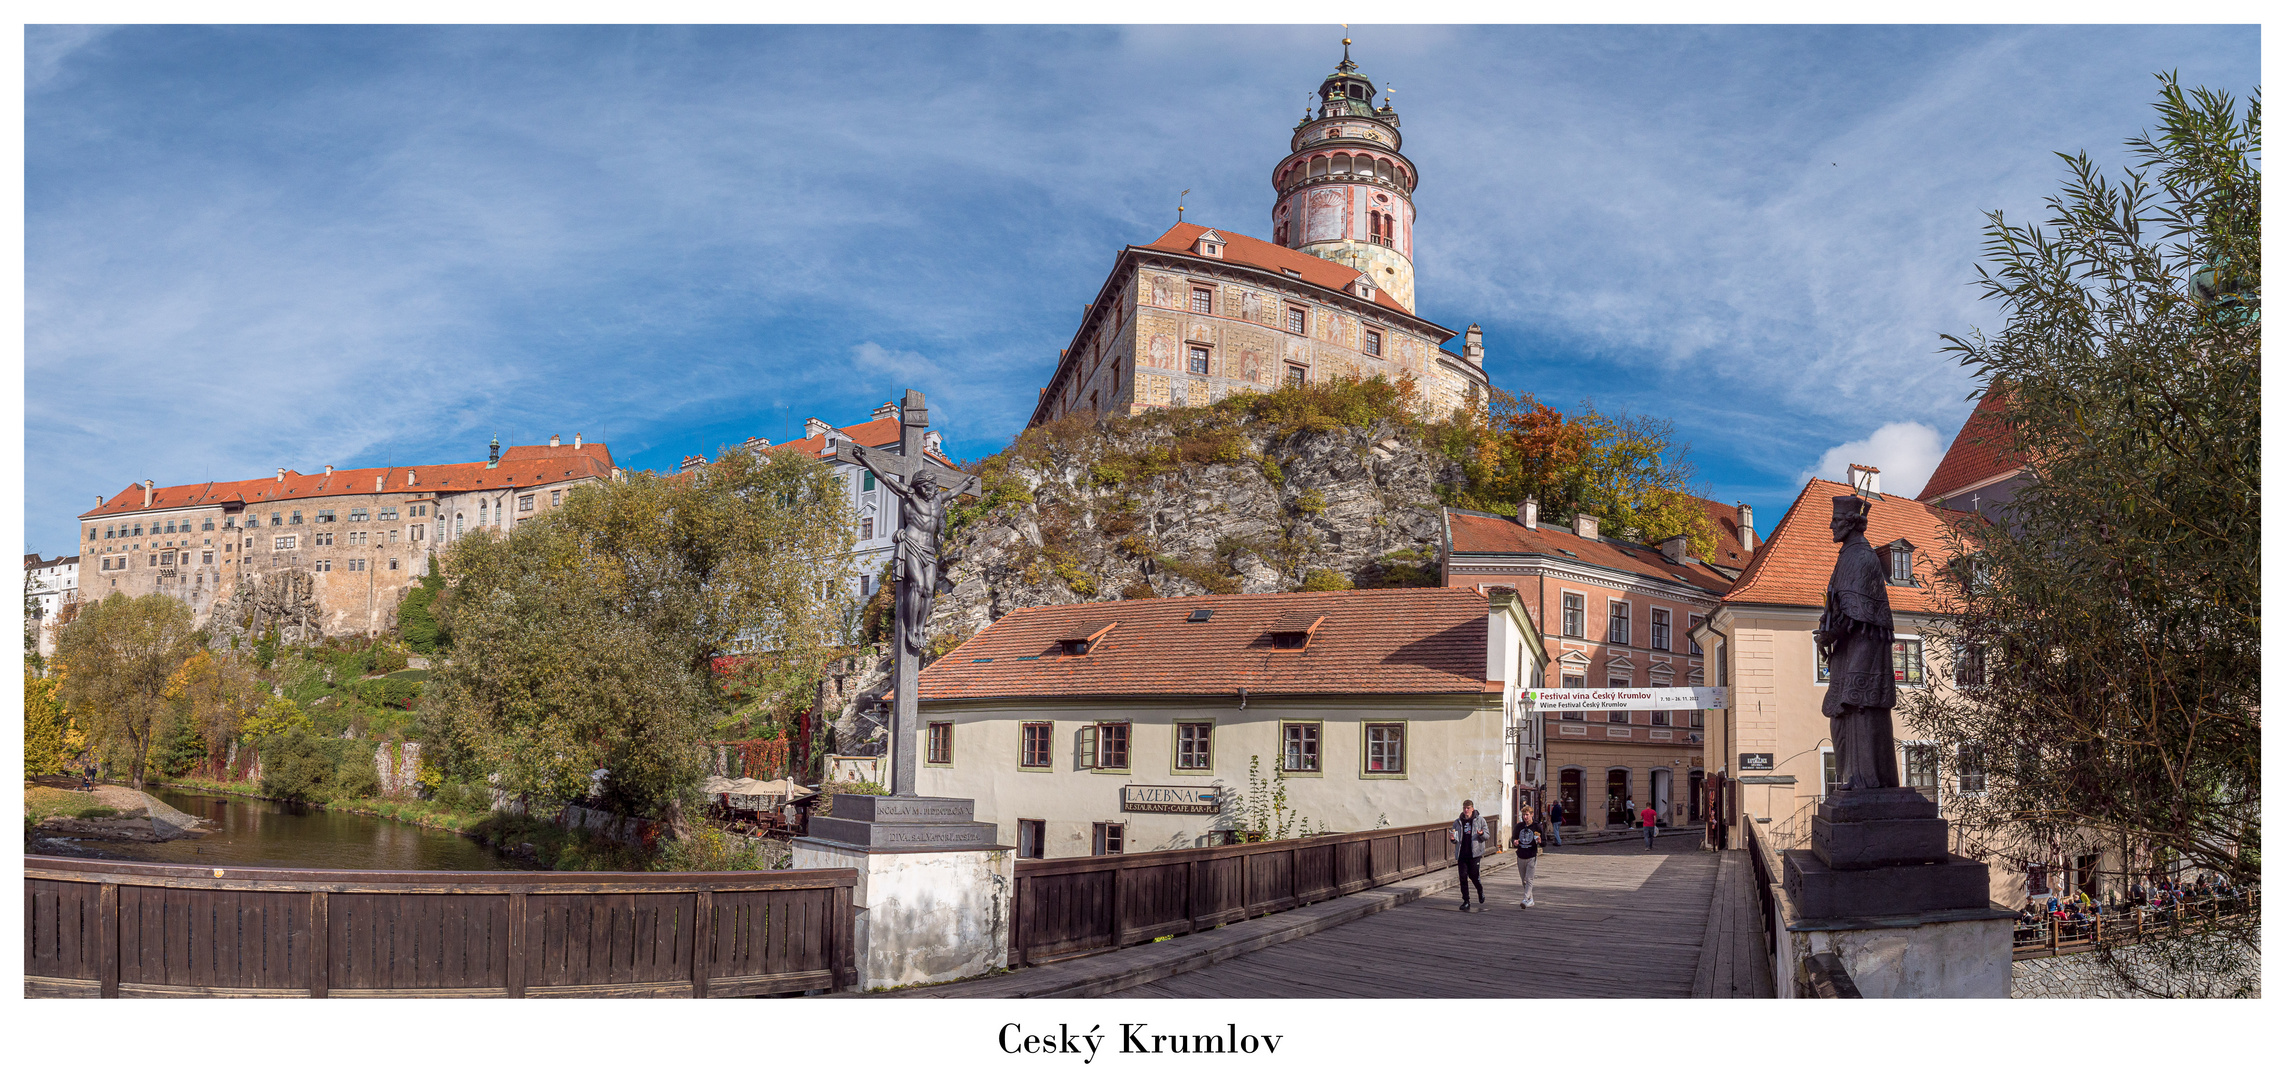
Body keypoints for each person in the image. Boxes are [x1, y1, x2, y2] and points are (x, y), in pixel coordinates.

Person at [1451, 799, 1489, 912]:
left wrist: (1481, 834)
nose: (1466, 810)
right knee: (1462, 877)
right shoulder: (1458, 822)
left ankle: (1480, 890)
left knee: (1473, 876)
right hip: (1462, 853)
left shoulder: (1480, 820)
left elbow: (1487, 835)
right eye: (1464, 808)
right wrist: (1453, 839)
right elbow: (1455, 838)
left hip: (1475, 853)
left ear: (1472, 809)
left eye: (1468, 808)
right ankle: (1466, 901)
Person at [1512, 804, 1543, 908]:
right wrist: (1515, 842)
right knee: (1524, 880)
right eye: (1523, 815)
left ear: (1532, 815)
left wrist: (1540, 841)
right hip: (1521, 855)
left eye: (1527, 815)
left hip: (1531, 856)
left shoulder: (1537, 826)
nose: (1525, 817)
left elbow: (1544, 843)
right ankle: (1530, 899)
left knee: (1529, 879)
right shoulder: (1519, 826)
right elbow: (1513, 839)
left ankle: (1525, 899)